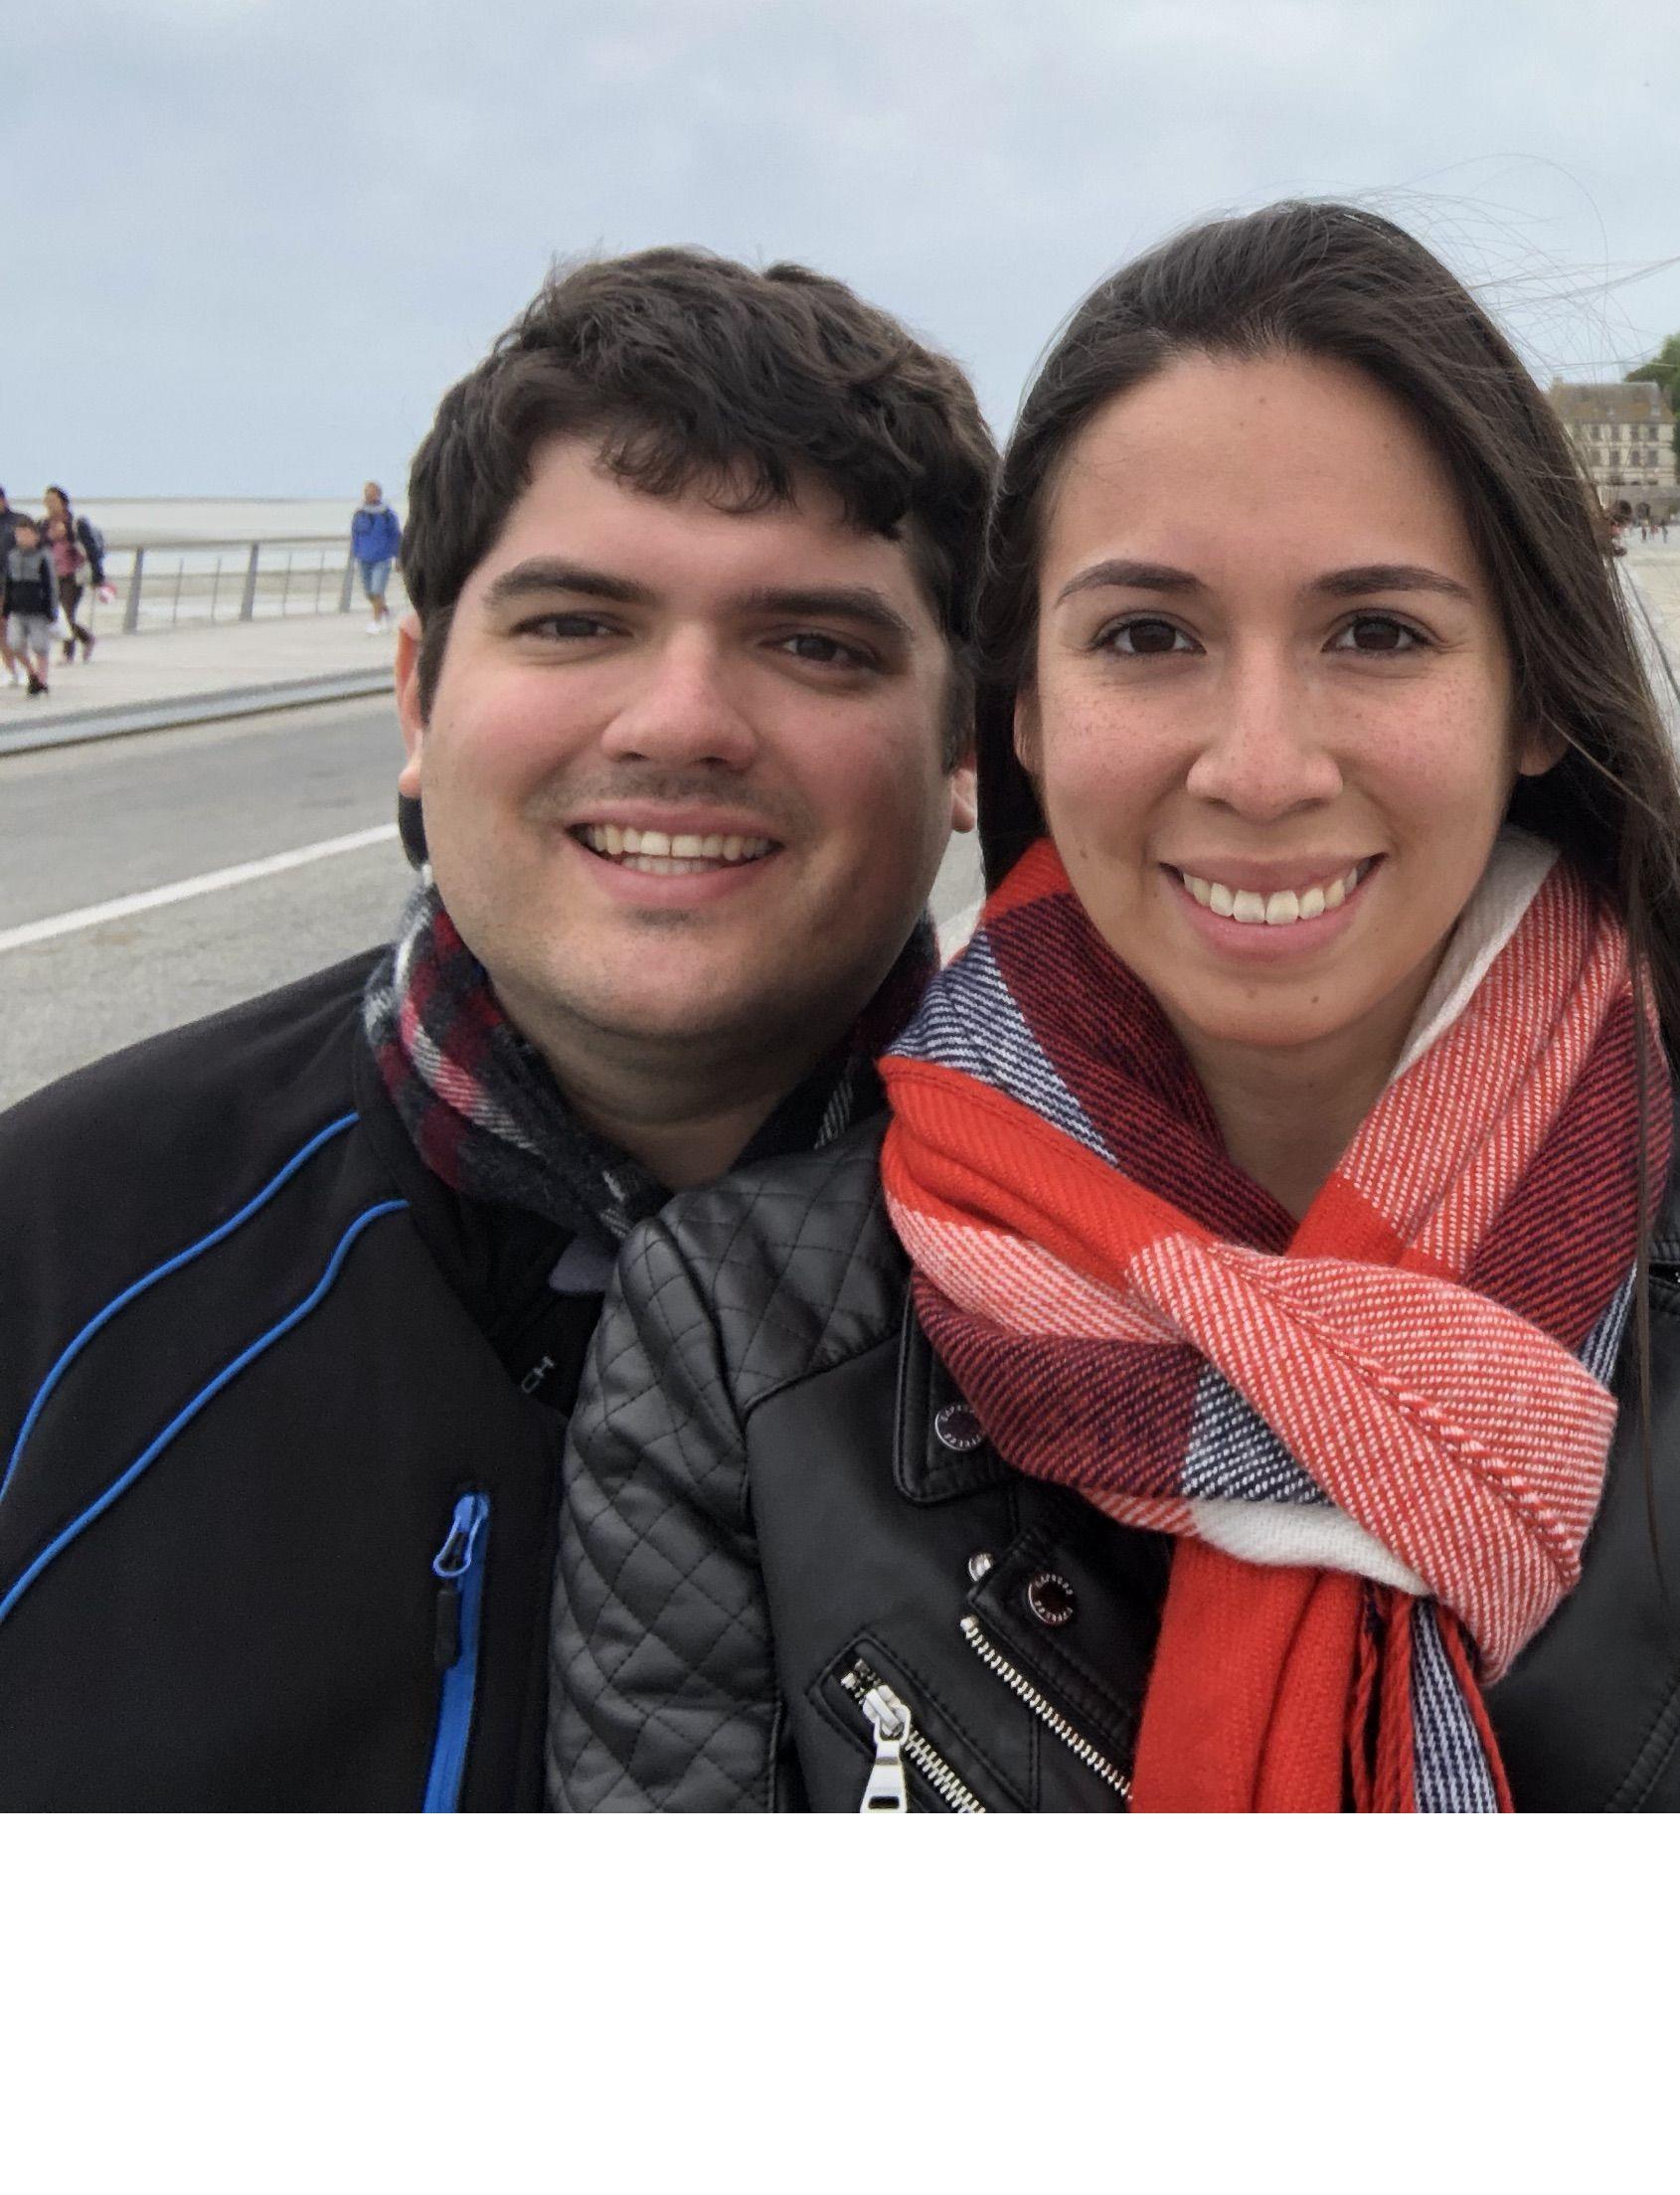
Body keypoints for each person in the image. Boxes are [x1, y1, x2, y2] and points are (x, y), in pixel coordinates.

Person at [550, 204, 1680, 1813]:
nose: (1263, 764)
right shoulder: (739, 1336)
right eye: (1147, 636)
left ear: (1535, 697)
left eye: (1376, 631)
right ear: (1021, 705)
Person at [0, 250, 997, 1807]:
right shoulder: (58, 1251)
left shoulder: (1148, 1314)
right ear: (417, 701)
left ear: (966, 753)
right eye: (575, 624)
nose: (680, 720)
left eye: (816, 645)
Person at [41, 489, 101, 664]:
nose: (49, 504)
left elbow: (91, 549)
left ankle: (67, 653)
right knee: (54, 614)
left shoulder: (75, 523)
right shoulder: (43, 524)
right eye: (47, 501)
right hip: (51, 576)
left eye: (53, 500)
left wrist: (98, 577)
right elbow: (37, 546)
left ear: (63, 502)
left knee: (67, 613)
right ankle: (87, 638)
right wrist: (50, 537)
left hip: (73, 576)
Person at [3, 510, 55, 698]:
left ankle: (41, 679)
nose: (22, 538)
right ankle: (31, 672)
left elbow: (50, 585)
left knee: (40, 646)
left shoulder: (43, 556)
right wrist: (6, 608)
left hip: (38, 609)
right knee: (14, 643)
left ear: (35, 535)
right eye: (19, 535)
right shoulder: (13, 557)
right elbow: (8, 584)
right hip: (17, 608)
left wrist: (51, 609)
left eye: (26, 534)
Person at [350, 477, 403, 629]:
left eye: (371, 492)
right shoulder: (359, 514)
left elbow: (395, 536)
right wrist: (356, 552)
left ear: (378, 494)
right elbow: (355, 535)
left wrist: (398, 557)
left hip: (382, 558)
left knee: (377, 589)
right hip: (364, 558)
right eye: (366, 492)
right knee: (369, 593)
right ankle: (385, 611)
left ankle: (376, 621)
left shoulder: (387, 515)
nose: (368, 495)